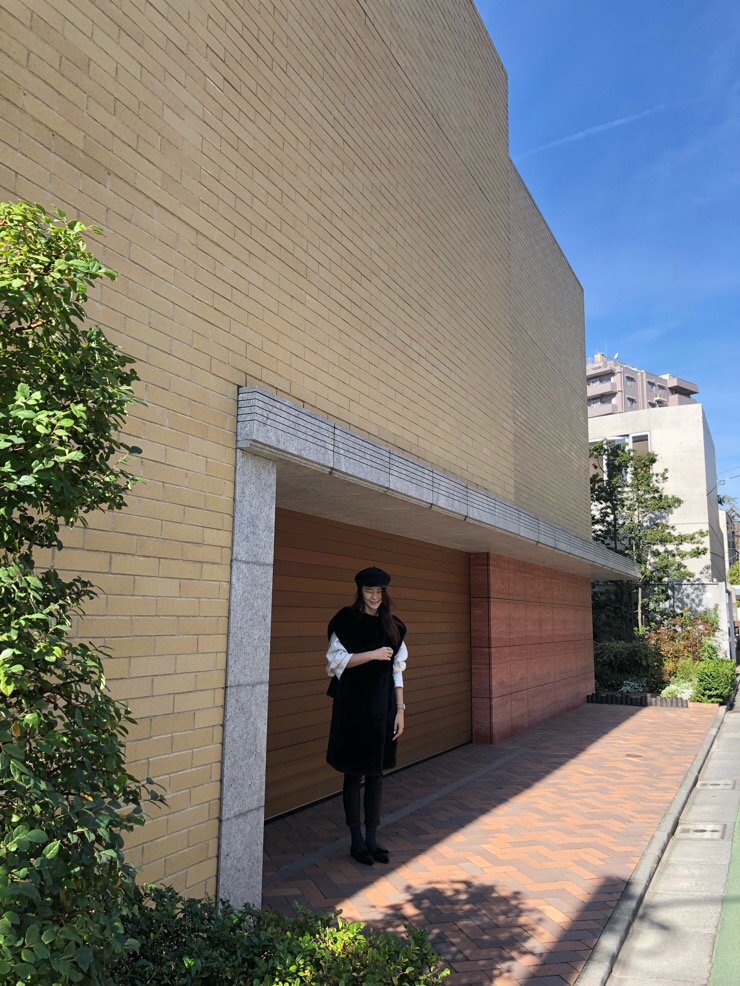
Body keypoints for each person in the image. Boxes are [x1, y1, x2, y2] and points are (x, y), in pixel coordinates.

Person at [326, 566, 408, 865]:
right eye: (369, 591)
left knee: (376, 774)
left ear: (385, 593)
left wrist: (400, 709)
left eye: (379, 591)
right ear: (360, 591)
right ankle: (356, 841)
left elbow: (397, 671)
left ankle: (372, 839)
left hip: (382, 709)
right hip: (352, 708)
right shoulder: (346, 621)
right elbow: (336, 662)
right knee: (353, 773)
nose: (374, 596)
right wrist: (373, 654)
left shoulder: (394, 626)